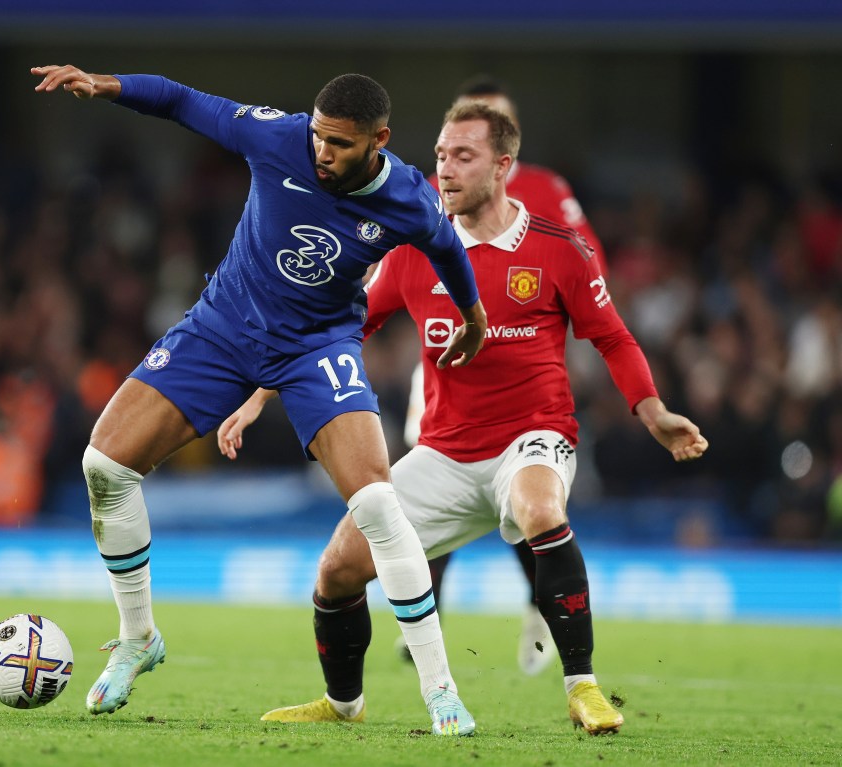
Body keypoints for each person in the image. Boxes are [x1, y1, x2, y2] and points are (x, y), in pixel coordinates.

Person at [219, 101, 708, 735]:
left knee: (541, 510)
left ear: (503, 166)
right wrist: (258, 397)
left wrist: (654, 411)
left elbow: (612, 337)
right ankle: (343, 704)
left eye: (463, 156)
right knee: (337, 568)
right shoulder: (414, 252)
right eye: (441, 155)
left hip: (531, 440)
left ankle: (582, 686)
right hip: (444, 452)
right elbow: (335, 330)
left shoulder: (561, 251)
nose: (444, 169)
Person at [30, 64, 488, 736]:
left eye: (339, 144)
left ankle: (441, 690)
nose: (322, 152)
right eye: (319, 137)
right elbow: (184, 100)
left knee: (379, 504)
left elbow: (447, 247)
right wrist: (106, 85)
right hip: (223, 328)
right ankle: (139, 638)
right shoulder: (279, 138)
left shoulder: (411, 199)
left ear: (378, 140)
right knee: (104, 465)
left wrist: (472, 313)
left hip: (316, 347)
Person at [413, 75, 610, 676]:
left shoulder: (546, 190)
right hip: (443, 363)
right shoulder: (430, 192)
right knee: (426, 498)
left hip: (528, 346)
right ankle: (427, 622)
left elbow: (588, 256)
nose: (457, 161)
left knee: (529, 499)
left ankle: (538, 603)